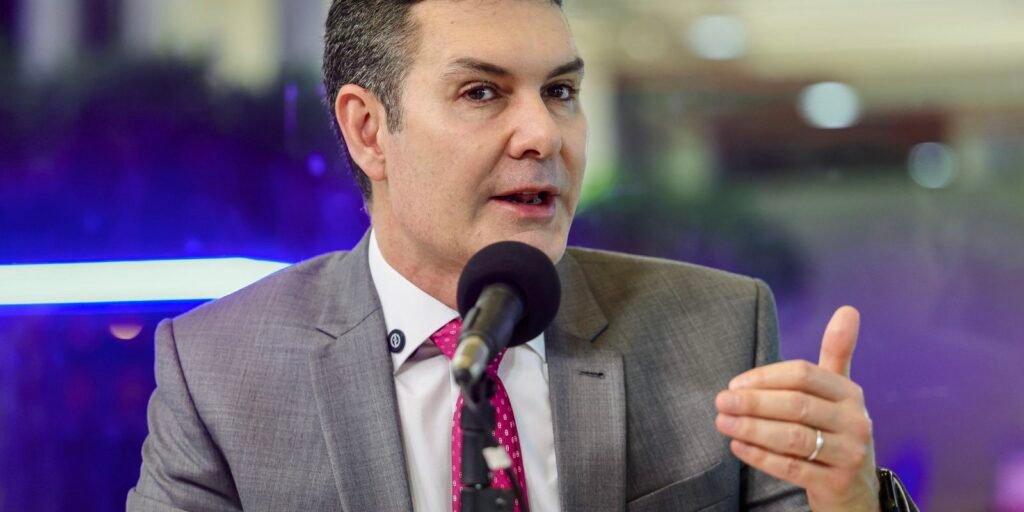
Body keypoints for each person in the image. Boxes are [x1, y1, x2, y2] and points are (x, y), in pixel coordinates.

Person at [127, 1, 916, 511]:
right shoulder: (220, 373)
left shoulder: (717, 329)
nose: (543, 134)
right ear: (369, 131)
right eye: (483, 93)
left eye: (561, 92)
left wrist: (851, 502)